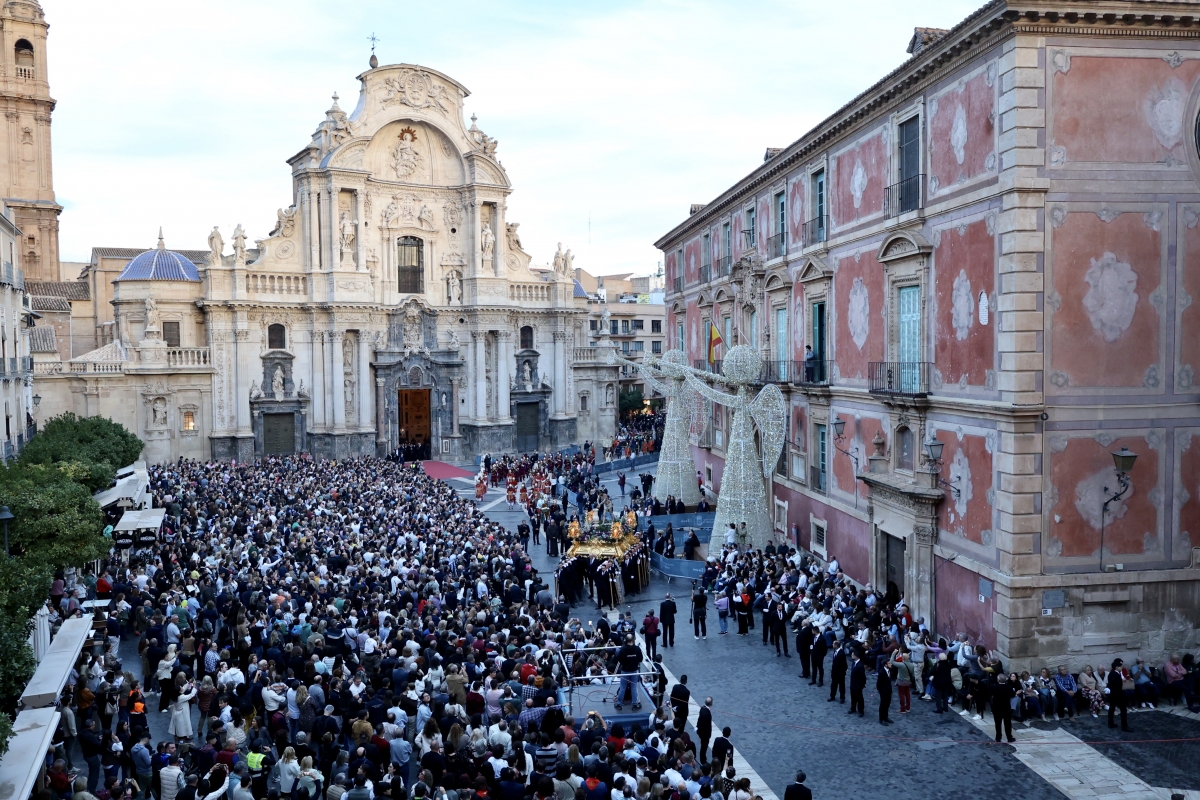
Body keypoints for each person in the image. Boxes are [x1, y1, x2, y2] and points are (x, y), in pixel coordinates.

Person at [1107, 658, 1132, 732]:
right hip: (1118, 695)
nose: (1122, 668)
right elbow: (1118, 686)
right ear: (1117, 667)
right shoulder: (1116, 675)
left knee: (1111, 709)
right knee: (1123, 710)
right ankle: (1124, 726)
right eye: (1120, 667)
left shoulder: (1111, 674)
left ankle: (1110, 723)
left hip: (1113, 695)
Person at [991, 671, 1015, 743]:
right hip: (1006, 707)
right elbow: (1013, 695)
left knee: (998, 723)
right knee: (1007, 723)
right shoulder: (1008, 688)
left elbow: (990, 694)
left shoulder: (994, 687)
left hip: (997, 707)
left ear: (998, 680)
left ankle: (998, 737)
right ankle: (1009, 737)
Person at [828, 639, 847, 704]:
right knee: (833, 684)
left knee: (841, 685)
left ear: (836, 645)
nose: (832, 645)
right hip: (834, 672)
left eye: (833, 644)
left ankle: (842, 697)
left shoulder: (841, 653)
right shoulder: (835, 651)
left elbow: (844, 664)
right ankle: (832, 696)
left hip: (840, 673)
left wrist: (842, 672)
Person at [849, 650, 866, 718]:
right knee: (853, 697)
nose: (851, 656)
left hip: (858, 685)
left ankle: (861, 711)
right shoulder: (854, 663)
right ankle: (853, 708)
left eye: (853, 655)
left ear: (856, 656)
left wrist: (862, 685)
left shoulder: (860, 665)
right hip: (853, 683)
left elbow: (863, 677)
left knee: (859, 699)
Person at [696, 698, 713, 765]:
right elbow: (704, 724)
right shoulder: (707, 714)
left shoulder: (702, 708)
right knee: (704, 747)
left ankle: (703, 759)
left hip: (702, 732)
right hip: (705, 734)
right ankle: (703, 761)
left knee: (703, 747)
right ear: (711, 703)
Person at [876, 660, 893, 725]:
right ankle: (881, 719)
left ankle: (886, 717)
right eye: (889, 663)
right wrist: (880, 690)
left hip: (889, 690)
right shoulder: (882, 672)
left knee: (887, 704)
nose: (891, 664)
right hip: (883, 691)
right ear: (885, 665)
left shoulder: (889, 670)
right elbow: (879, 683)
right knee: (883, 705)